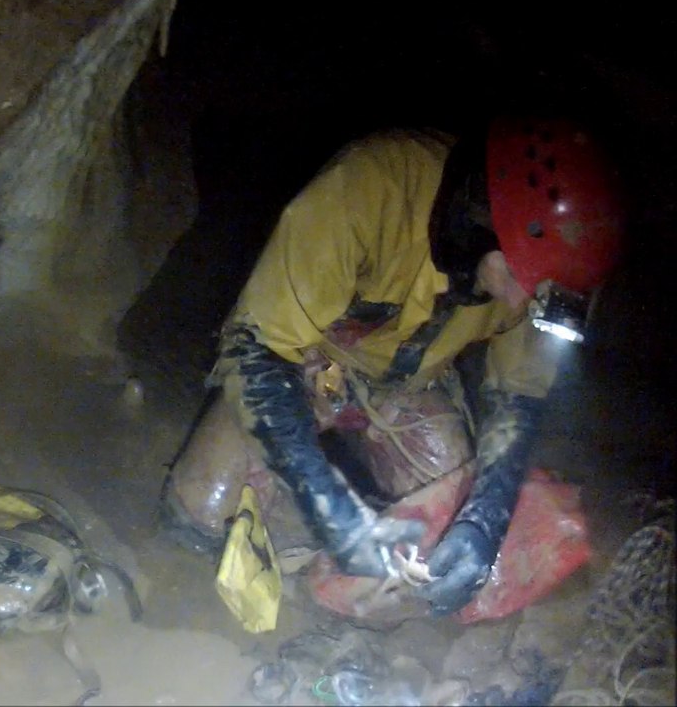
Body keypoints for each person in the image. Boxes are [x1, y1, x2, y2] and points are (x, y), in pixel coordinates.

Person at [158, 116, 625, 615]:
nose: (518, 305)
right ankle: (280, 530)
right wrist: (329, 508)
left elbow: (519, 397)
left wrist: (487, 516)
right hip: (294, 362)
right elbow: (255, 350)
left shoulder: (548, 274)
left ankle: (330, 594)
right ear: (480, 224)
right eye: (516, 279)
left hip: (405, 384)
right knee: (203, 510)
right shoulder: (371, 188)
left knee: (448, 530)